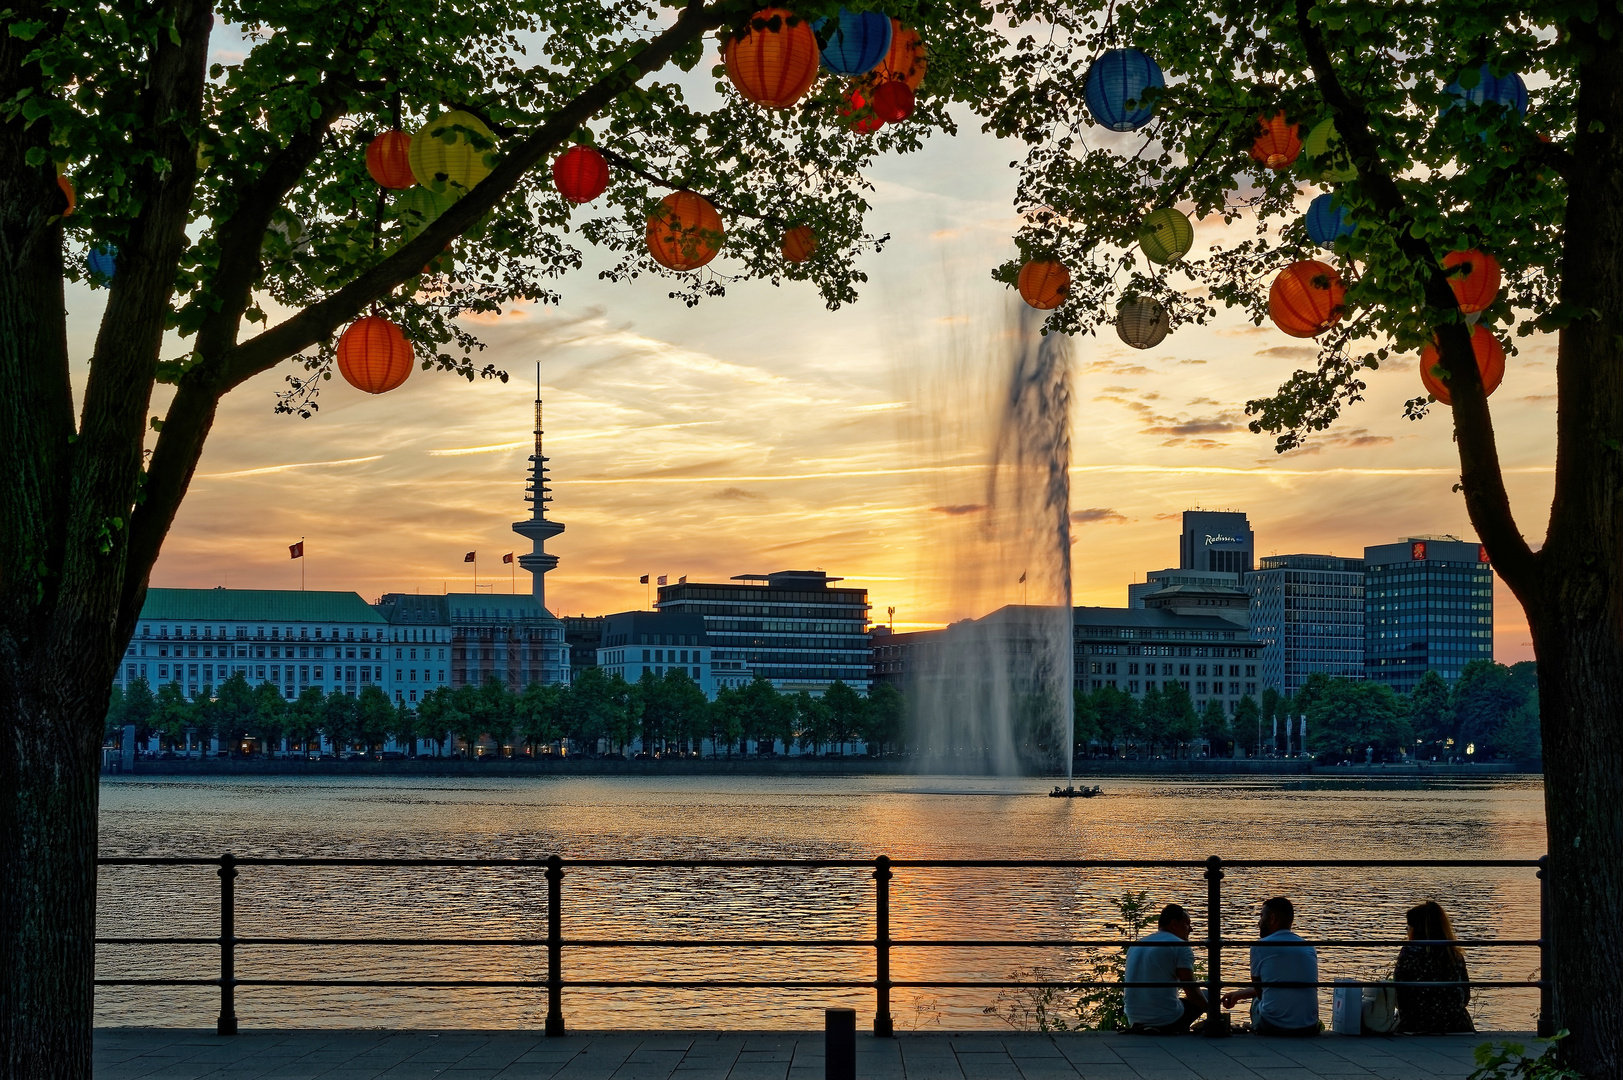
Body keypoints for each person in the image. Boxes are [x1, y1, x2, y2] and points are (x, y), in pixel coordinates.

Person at [1220, 897, 1319, 1036]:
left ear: (1272, 918)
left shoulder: (1260, 946)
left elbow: (1260, 991)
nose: (1259, 922)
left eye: (1261, 916)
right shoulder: (1308, 947)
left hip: (1274, 1025)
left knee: (1257, 1002)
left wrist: (1241, 995)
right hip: (1309, 1025)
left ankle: (1257, 1026)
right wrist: (1239, 994)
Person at [1124, 903, 1207, 1034]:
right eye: (1187, 923)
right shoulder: (1180, 945)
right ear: (1174, 924)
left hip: (1134, 1019)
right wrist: (1214, 1013)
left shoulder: (1137, 945)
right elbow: (1190, 990)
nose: (1190, 929)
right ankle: (1180, 1028)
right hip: (1166, 1020)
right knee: (1208, 994)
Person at [1394, 900, 1475, 1033]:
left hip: (1417, 1023)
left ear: (1416, 929)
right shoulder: (1454, 954)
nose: (1407, 932)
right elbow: (1465, 996)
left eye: (1407, 928)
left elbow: (1399, 991)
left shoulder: (1410, 952)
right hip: (1457, 1024)